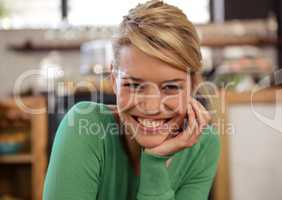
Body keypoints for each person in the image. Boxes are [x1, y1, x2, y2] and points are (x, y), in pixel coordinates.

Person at [43, 1, 220, 199]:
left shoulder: (203, 144)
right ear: (113, 80)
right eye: (134, 85)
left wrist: (155, 162)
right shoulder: (82, 126)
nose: (151, 107)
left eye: (171, 87)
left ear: (193, 86)